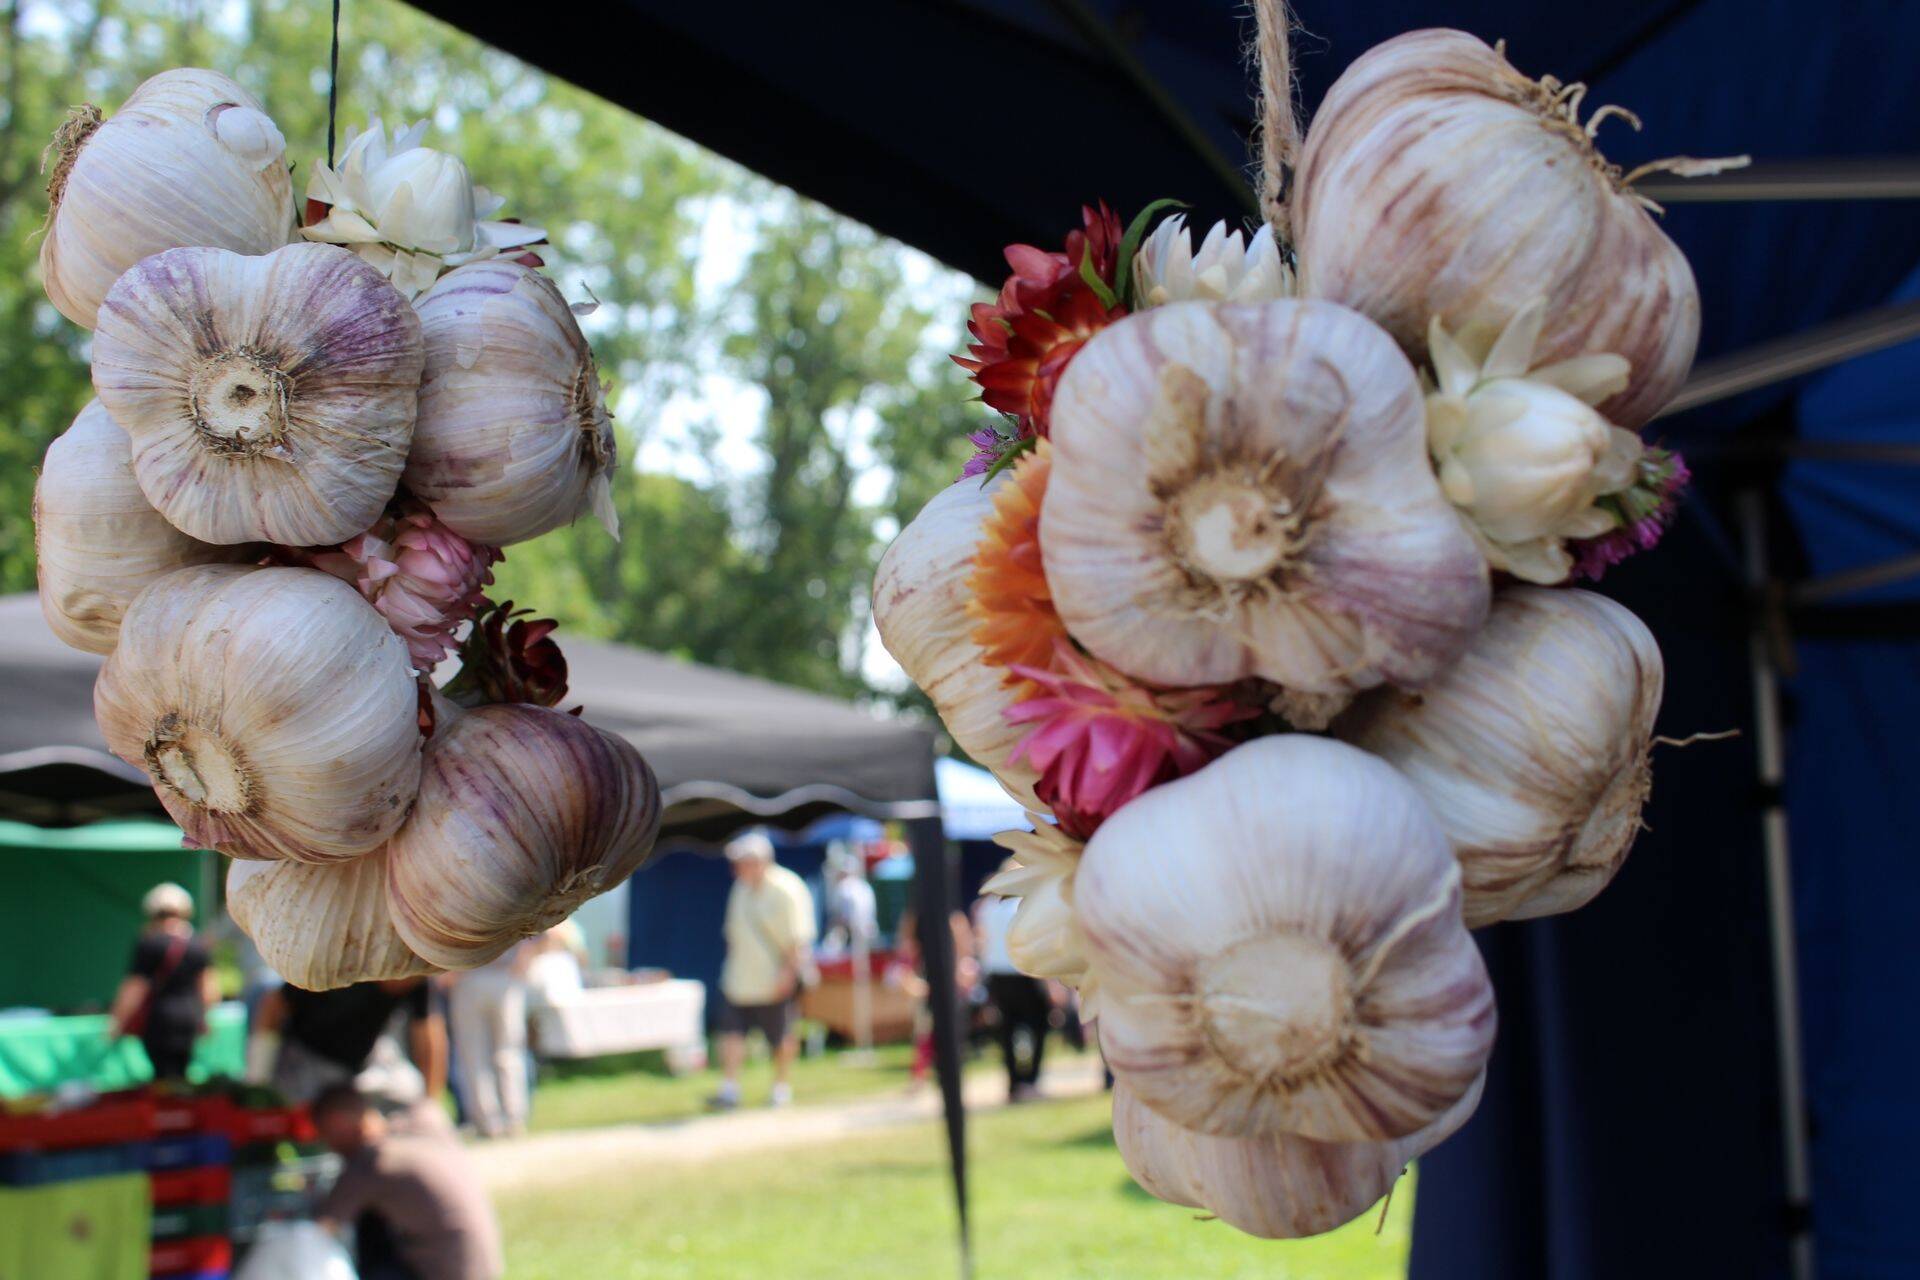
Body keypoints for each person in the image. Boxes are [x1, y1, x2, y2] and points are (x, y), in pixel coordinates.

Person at [313, 1084, 503, 1280]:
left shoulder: (372, 1162)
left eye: (325, 1135)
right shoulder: (423, 1123)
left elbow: (322, 1226)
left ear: (337, 1123)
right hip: (484, 1266)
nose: (329, 1146)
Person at [709, 830, 817, 1110]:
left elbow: (799, 938)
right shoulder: (740, 889)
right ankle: (730, 1089)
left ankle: (780, 1088)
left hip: (773, 978)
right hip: (739, 978)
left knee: (780, 1036)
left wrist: (788, 974)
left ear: (760, 861)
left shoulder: (787, 888)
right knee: (731, 1032)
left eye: (742, 862)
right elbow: (733, 933)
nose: (736, 869)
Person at [249, 977, 448, 1106]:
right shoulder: (343, 965)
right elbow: (273, 1005)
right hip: (304, 1062)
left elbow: (429, 1035)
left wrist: (431, 1104)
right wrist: (258, 1080)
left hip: (363, 1064)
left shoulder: (418, 978)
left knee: (409, 1092)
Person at [106, 883, 218, 1083]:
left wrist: (118, 1021)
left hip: (159, 1019)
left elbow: (135, 988)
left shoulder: (149, 943)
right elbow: (209, 990)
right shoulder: (198, 944)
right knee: (181, 1075)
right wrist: (205, 1018)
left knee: (162, 1077)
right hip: (189, 1018)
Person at [444, 941, 532, 1138]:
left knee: (486, 1055)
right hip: (480, 975)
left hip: (492, 974)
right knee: (497, 1054)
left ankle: (498, 1120)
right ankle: (503, 1120)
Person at [976, 873, 1051, 1102]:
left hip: (997, 975)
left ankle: (1013, 1083)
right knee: (1037, 1026)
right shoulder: (1022, 905)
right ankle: (1030, 1080)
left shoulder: (986, 907)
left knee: (1007, 1030)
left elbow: (982, 941)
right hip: (1022, 973)